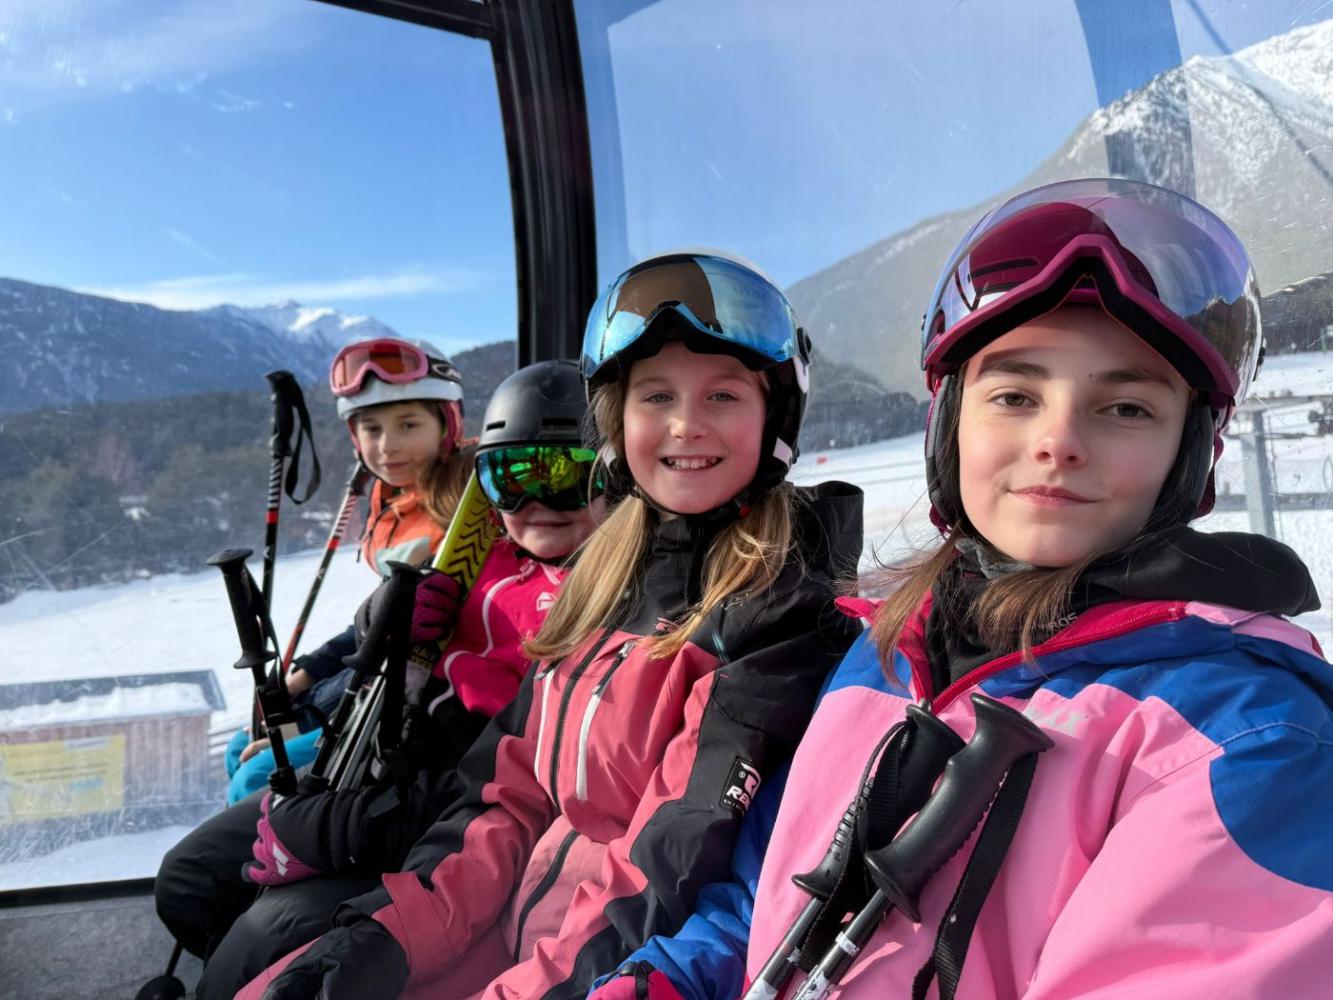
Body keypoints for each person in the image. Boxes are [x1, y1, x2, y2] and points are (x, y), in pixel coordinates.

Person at [589, 179, 1333, 1000]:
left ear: (1187, 454)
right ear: (949, 426)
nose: (1057, 441)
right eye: (1014, 396)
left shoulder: (1248, 744)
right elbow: (762, 897)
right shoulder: (883, 657)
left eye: (1124, 408)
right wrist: (663, 979)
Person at [236, 251, 866, 1000]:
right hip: (510, 925)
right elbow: (507, 795)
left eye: (722, 395)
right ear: (616, 421)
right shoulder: (605, 576)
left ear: (774, 418)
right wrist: (390, 937)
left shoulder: (776, 617)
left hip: (594, 968)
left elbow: (662, 876)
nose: (685, 425)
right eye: (656, 395)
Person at [153, 352, 598, 1000]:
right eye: (507, 478)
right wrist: (383, 618)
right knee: (187, 879)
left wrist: (341, 826)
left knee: (253, 947)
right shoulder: (484, 546)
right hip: (387, 755)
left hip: (440, 803)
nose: (534, 503)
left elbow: (520, 779)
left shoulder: (608, 594)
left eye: (565, 475)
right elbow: (382, 635)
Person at [223, 336, 470, 803]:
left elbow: (418, 641)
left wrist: (324, 711)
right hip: (372, 672)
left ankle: (275, 847)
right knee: (243, 745)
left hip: (410, 696)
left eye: (408, 424)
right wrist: (307, 674)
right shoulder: (394, 499)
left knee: (255, 776)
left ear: (447, 423)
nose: (387, 446)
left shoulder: (464, 508)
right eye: (371, 429)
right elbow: (377, 618)